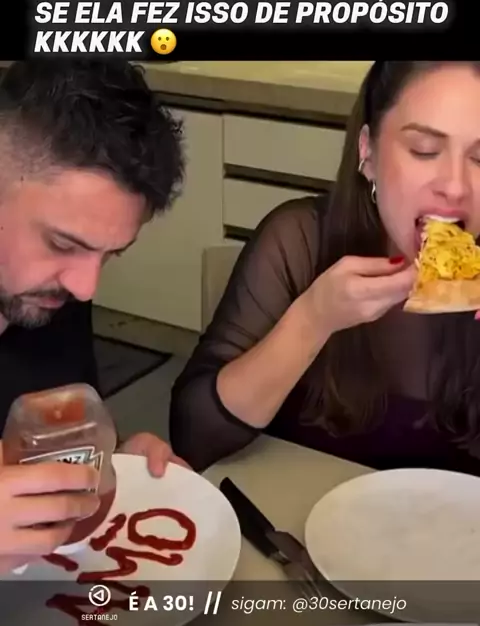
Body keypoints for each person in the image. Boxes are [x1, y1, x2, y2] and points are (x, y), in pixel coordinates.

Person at [170, 60, 480, 475]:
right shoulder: (299, 242)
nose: (456, 185)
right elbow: (193, 438)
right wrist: (314, 319)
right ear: (367, 152)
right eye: (424, 150)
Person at [0, 59, 188, 573]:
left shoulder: (47, 298)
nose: (86, 288)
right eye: (63, 244)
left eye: (109, 256)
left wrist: (111, 457)